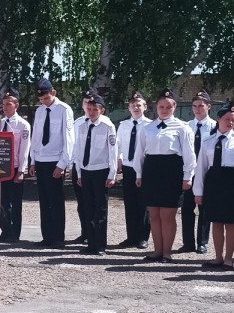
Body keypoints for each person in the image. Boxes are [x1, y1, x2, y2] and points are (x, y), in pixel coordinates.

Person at [133, 87, 196, 263]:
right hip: (151, 171)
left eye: (168, 107)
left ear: (174, 107)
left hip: (171, 171)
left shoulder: (182, 127)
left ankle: (167, 252)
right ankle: (157, 251)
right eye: (161, 106)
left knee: (167, 216)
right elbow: (140, 152)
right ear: (156, 107)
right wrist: (139, 173)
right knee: (153, 215)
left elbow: (189, 154)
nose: (165, 110)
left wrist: (188, 176)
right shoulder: (148, 128)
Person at [28, 78, 74, 248]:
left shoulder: (64, 109)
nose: (44, 101)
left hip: (55, 160)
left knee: (56, 201)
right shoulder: (40, 111)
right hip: (41, 159)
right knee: (44, 200)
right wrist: (32, 160)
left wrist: (62, 164)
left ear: (53, 93)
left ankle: (58, 237)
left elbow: (69, 138)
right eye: (41, 99)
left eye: (46, 98)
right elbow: (36, 137)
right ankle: (46, 236)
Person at [71, 93, 116, 256]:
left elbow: (112, 151)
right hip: (85, 170)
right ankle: (90, 243)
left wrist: (111, 174)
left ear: (101, 110)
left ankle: (100, 245)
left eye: (94, 109)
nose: (91, 112)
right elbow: (78, 150)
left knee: (100, 209)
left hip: (101, 170)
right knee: (88, 208)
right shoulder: (82, 126)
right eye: (89, 109)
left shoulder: (107, 126)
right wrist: (79, 173)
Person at [193, 102, 234, 270]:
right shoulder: (208, 141)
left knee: (231, 224)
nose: (230, 122)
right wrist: (198, 192)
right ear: (218, 119)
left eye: (233, 120)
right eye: (227, 119)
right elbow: (201, 168)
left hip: (231, 184)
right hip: (214, 184)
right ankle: (218, 257)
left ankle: (229, 259)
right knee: (216, 222)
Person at [180, 90, 215, 254]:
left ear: (208, 106)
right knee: (187, 208)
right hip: (189, 172)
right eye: (194, 106)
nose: (197, 109)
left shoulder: (215, 127)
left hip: (206, 173)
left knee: (204, 209)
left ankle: (202, 242)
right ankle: (188, 242)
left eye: (201, 106)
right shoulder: (187, 126)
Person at [115, 91, 151, 248]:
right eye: (132, 105)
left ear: (145, 107)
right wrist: (119, 159)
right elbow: (119, 145)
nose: (136, 107)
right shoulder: (124, 125)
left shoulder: (150, 125)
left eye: (139, 105)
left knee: (143, 203)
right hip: (128, 167)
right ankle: (131, 237)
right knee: (129, 203)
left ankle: (143, 237)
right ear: (128, 108)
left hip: (143, 167)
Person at [0, 87, 30, 243]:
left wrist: (21, 170)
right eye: (3, 104)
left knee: (15, 203)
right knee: (3, 202)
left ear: (16, 105)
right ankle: (5, 231)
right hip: (1, 167)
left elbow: (24, 149)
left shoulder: (23, 125)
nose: (5, 107)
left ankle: (15, 233)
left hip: (15, 167)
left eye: (8, 104)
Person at [69, 92, 94, 243]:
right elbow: (72, 145)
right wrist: (71, 165)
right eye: (85, 102)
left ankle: (94, 235)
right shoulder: (77, 123)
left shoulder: (104, 123)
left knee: (94, 203)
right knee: (81, 203)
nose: (88, 105)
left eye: (91, 102)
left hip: (95, 168)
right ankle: (85, 232)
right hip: (78, 166)